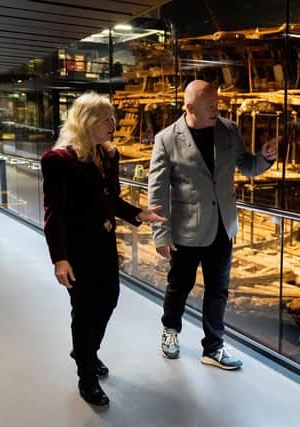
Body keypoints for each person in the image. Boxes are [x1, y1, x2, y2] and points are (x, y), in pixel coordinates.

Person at [41, 92, 165, 406]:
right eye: (106, 119)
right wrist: (60, 258)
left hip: (105, 244)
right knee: (85, 310)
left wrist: (138, 213)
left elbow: (110, 199)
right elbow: (54, 212)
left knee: (108, 300)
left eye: (113, 117)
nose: (114, 124)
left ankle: (85, 350)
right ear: (86, 122)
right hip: (77, 248)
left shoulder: (109, 155)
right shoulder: (59, 160)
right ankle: (87, 375)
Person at [148, 80, 277, 370]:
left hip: (223, 227)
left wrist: (265, 159)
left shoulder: (228, 130)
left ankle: (214, 347)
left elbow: (246, 165)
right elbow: (157, 192)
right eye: (210, 106)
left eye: (218, 104)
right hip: (187, 231)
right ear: (190, 107)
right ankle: (171, 330)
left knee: (218, 290)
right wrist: (161, 234)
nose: (216, 110)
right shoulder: (167, 139)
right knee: (179, 286)